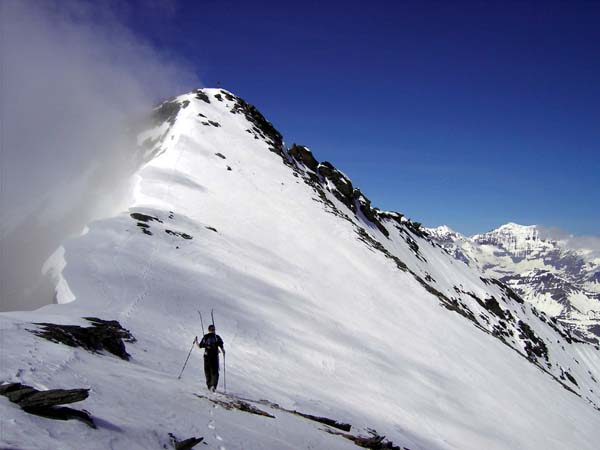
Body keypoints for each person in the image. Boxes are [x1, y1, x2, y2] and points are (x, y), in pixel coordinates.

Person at [197, 324, 225, 392]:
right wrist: (223, 352)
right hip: (214, 357)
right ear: (214, 330)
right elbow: (222, 348)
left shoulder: (205, 337)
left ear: (208, 330)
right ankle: (213, 386)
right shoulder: (217, 337)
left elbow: (200, 346)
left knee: (207, 371)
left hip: (206, 356)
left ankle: (209, 386)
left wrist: (196, 341)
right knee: (215, 372)